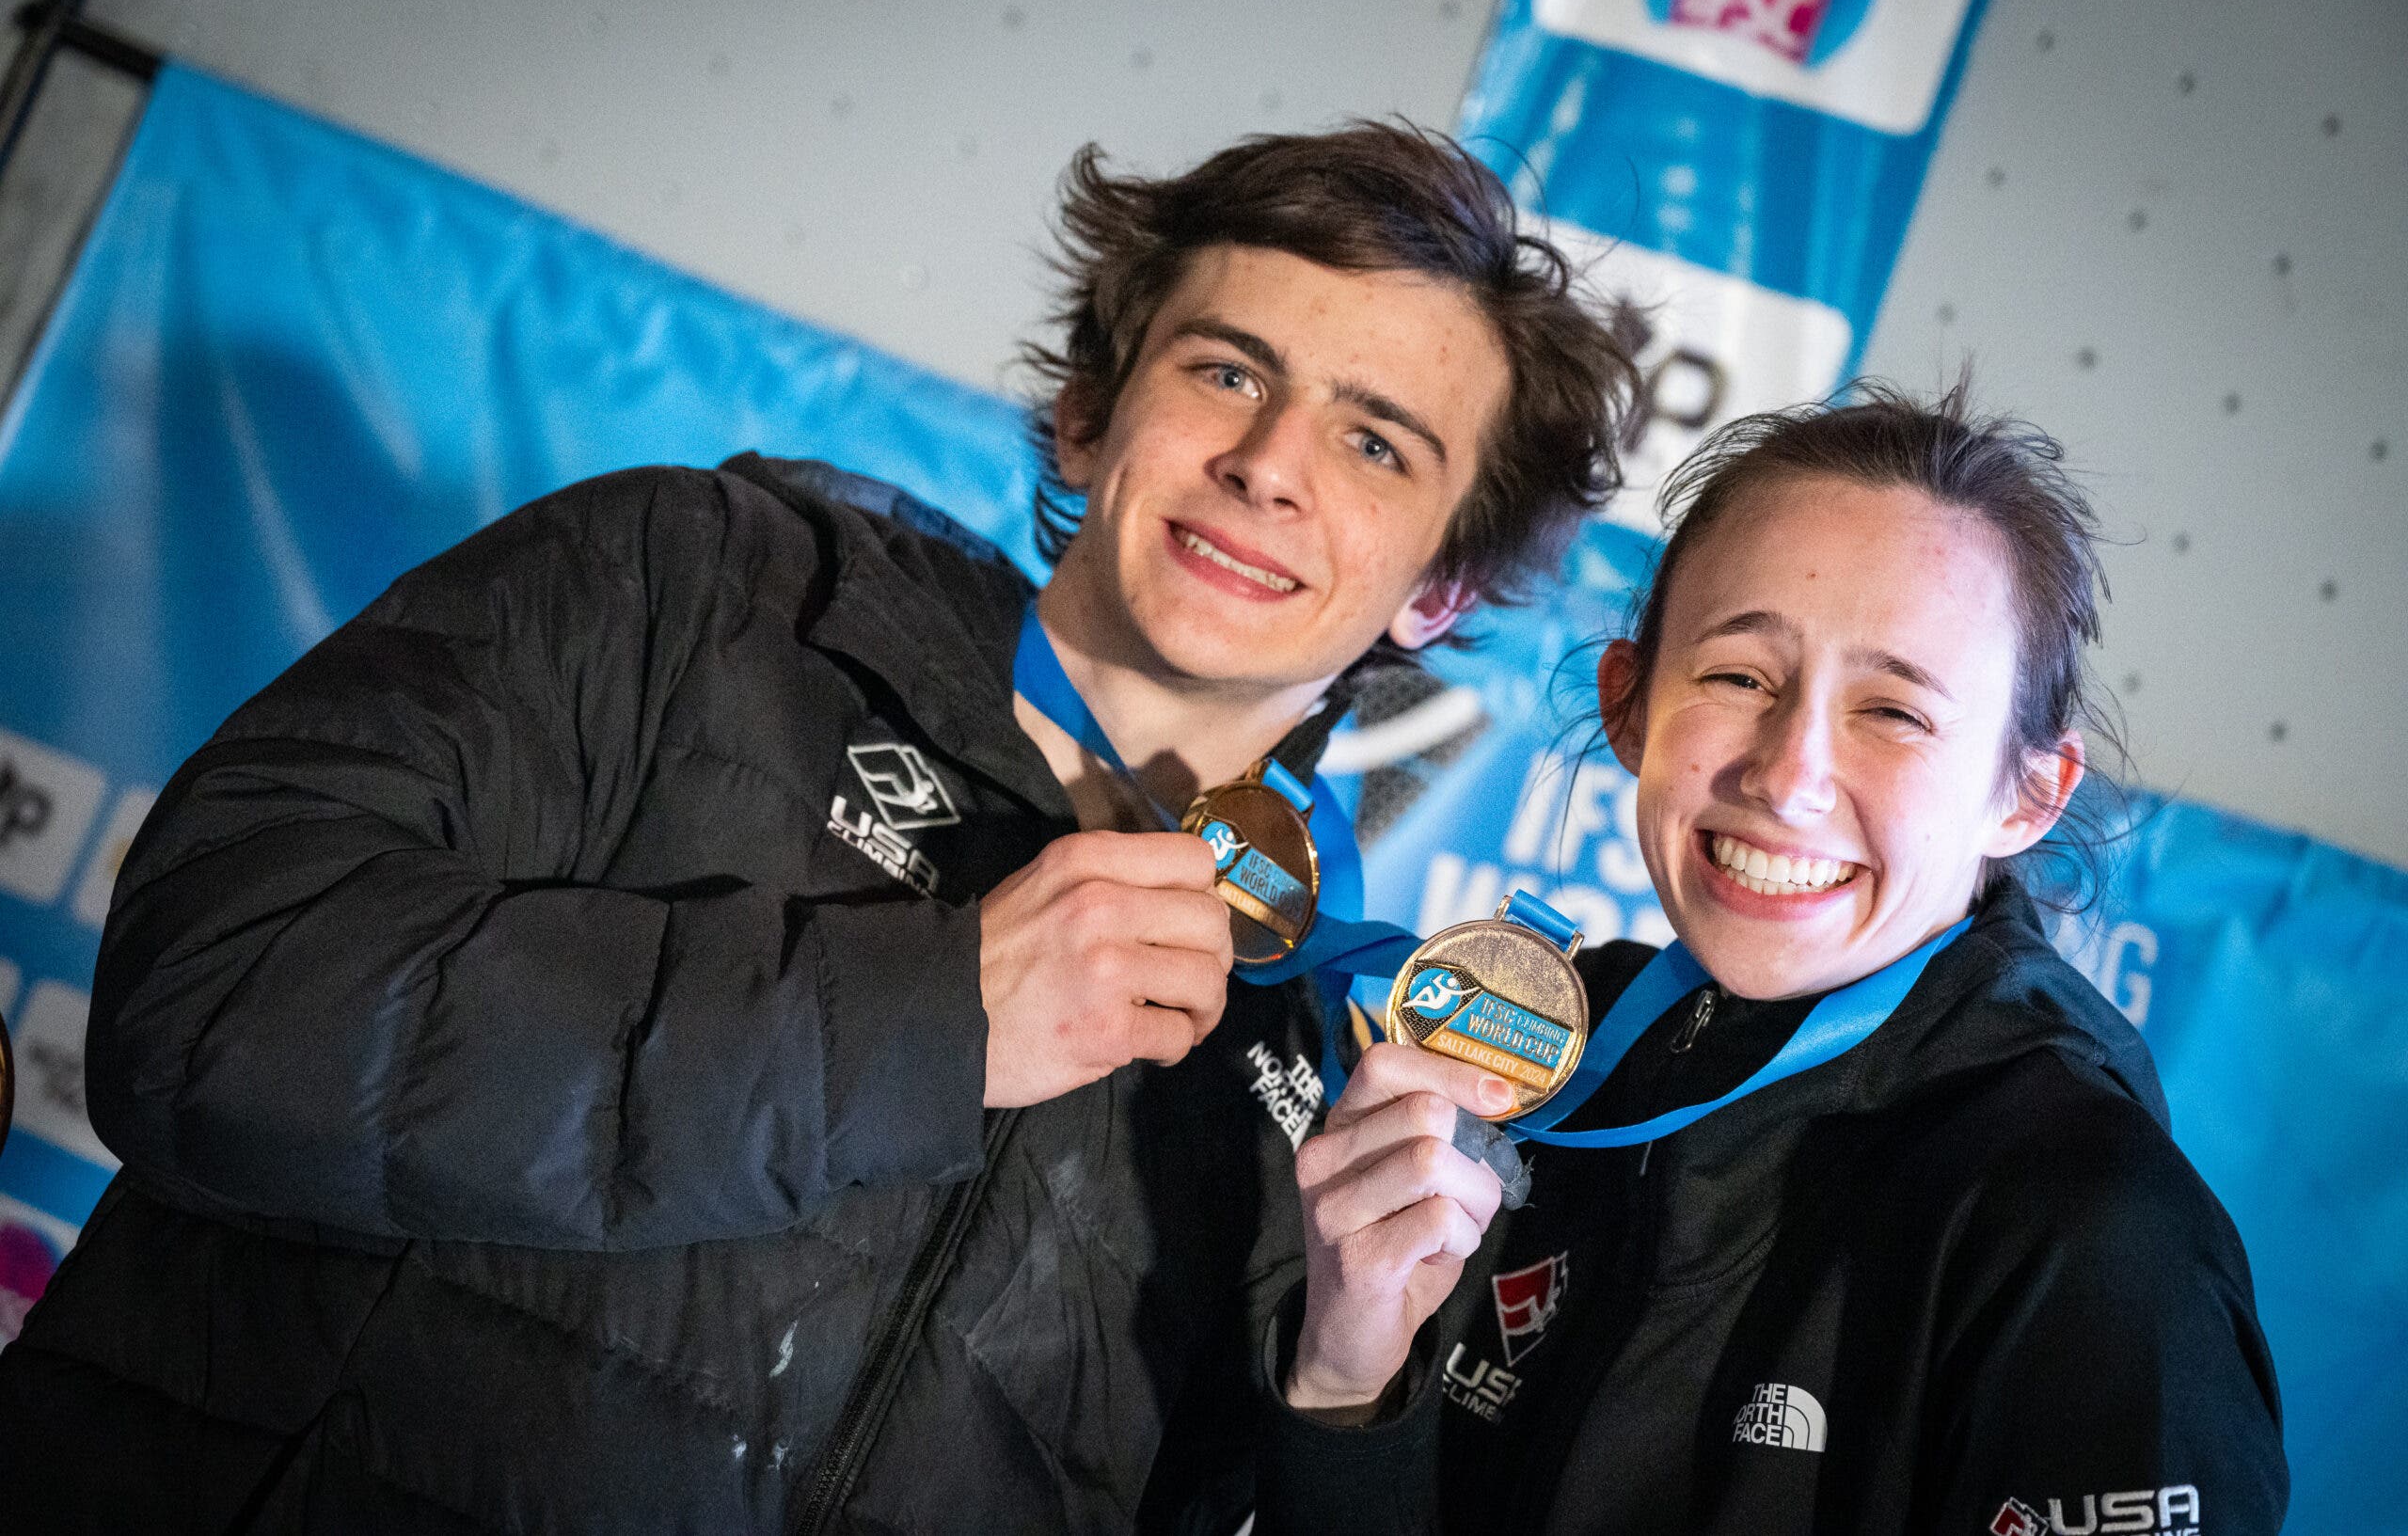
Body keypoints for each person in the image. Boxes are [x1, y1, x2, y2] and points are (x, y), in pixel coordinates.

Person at [0, 124, 1638, 1531]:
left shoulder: (1329, 1032)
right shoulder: (692, 585)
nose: (1271, 464)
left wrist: (1347, 1396)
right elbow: (207, 995)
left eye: (1374, 441)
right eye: (1227, 369)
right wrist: (927, 1018)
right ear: (1086, 412)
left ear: (1440, 588)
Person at [1255, 384, 2288, 1535]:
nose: (1787, 776)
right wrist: (1349, 1385)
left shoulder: (2084, 1230)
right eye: (1741, 677)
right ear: (1630, 704)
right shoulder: (1544, 1058)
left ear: (2027, 792)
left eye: (1893, 712)